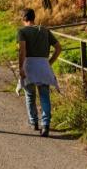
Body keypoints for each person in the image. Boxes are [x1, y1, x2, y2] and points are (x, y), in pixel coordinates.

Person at [18, 9, 61, 137]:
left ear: (23, 18)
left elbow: (22, 51)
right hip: (43, 66)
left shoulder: (22, 31)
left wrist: (21, 67)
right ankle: (46, 125)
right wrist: (49, 62)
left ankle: (34, 122)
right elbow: (59, 48)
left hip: (29, 66)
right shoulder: (45, 30)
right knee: (44, 96)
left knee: (30, 95)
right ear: (34, 17)